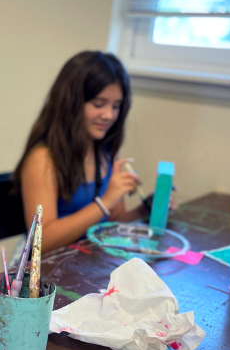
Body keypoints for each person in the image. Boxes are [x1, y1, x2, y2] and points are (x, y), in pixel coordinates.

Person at [13, 50, 152, 254]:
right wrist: (104, 203)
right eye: (98, 104)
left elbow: (111, 222)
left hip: (83, 261)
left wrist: (146, 209)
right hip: (41, 270)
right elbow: (40, 242)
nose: (109, 115)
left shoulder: (105, 151)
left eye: (116, 106)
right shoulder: (43, 159)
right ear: (71, 103)